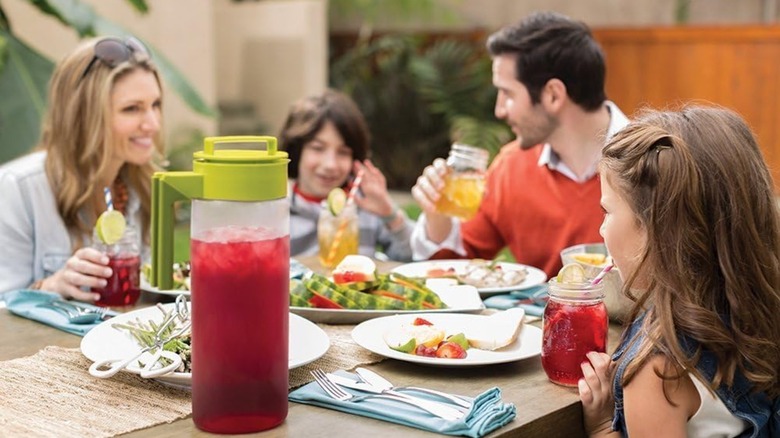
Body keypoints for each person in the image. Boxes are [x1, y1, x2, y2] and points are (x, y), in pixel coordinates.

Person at [579, 106, 780, 437]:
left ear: (655, 230)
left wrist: (601, 425)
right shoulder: (761, 311)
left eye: (607, 211)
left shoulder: (657, 374)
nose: (601, 229)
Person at [410, 11, 629, 278]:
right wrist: (437, 215)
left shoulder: (657, 162)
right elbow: (455, 267)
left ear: (552, 95)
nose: (499, 110)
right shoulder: (511, 167)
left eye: (507, 93)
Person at [0, 36, 164, 300]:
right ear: (84, 115)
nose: (153, 124)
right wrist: (51, 286)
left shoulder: (143, 186)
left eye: (155, 105)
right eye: (132, 109)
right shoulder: (17, 188)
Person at [279, 89, 414, 261]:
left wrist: (389, 214)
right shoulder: (279, 211)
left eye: (343, 152)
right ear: (297, 151)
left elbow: (413, 257)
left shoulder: (363, 205)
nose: (330, 165)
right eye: (318, 148)